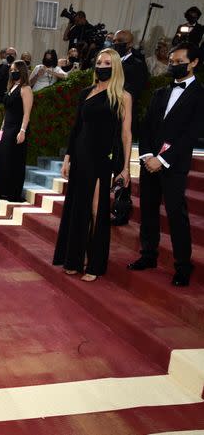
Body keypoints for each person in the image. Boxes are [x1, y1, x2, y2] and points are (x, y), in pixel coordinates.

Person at [128, 43, 204, 287]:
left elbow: (191, 135)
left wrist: (162, 160)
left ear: (193, 63)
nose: (173, 64)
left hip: (173, 165)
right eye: (171, 61)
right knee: (148, 210)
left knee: (176, 214)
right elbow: (146, 125)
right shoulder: (160, 92)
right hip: (149, 162)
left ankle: (183, 266)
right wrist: (148, 155)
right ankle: (148, 255)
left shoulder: (200, 95)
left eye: (179, 60)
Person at [53, 48, 132, 282]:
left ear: (115, 66)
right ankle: (74, 259)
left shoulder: (122, 96)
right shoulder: (86, 92)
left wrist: (126, 167)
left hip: (101, 159)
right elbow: (77, 127)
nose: (102, 65)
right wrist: (67, 158)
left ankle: (95, 264)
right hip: (80, 156)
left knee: (97, 210)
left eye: (107, 62)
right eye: (99, 61)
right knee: (77, 207)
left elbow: (126, 134)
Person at [110, 29, 149, 226]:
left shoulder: (137, 65)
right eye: (114, 40)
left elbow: (133, 91)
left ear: (129, 44)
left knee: (120, 166)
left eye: (119, 41)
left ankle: (122, 208)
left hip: (123, 120)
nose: (115, 43)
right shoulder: (111, 61)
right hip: (106, 121)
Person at [0, 60, 33, 202]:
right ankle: (2, 189)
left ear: (21, 70)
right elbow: (6, 111)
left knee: (14, 160)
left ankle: (13, 192)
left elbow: (27, 113)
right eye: (11, 70)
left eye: (15, 69)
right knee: (3, 158)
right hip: (7, 127)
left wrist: (22, 131)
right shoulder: (11, 87)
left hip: (17, 128)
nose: (12, 72)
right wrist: (2, 128)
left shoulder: (25, 89)